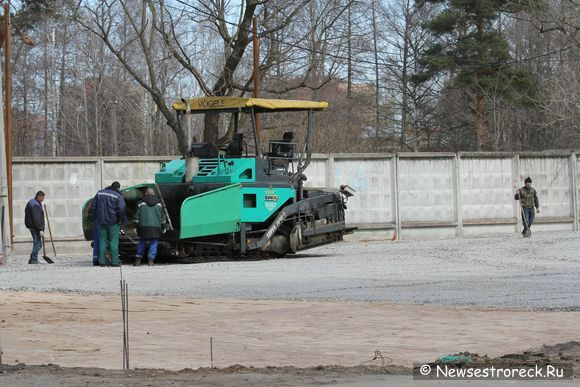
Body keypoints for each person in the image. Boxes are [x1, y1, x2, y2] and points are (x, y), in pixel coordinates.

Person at [93, 181, 127, 267]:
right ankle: (115, 262)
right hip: (113, 222)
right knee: (113, 242)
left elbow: (93, 206)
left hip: (101, 222)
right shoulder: (118, 195)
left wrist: (97, 217)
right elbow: (121, 209)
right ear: (118, 188)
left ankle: (102, 262)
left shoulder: (99, 193)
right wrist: (122, 220)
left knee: (102, 241)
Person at [134, 188, 166, 267]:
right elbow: (163, 217)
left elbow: (136, 216)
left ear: (145, 194)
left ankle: (138, 261)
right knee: (153, 243)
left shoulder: (140, 203)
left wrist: (135, 227)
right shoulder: (160, 204)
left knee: (142, 242)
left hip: (143, 226)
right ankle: (150, 262)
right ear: (154, 193)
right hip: (156, 227)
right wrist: (164, 227)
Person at [24, 191, 46, 264]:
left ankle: (32, 259)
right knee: (38, 243)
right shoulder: (35, 205)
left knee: (38, 243)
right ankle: (34, 259)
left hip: (31, 226)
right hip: (35, 227)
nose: (43, 199)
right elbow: (36, 219)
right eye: (42, 198)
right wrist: (40, 229)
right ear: (39, 196)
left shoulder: (32, 202)